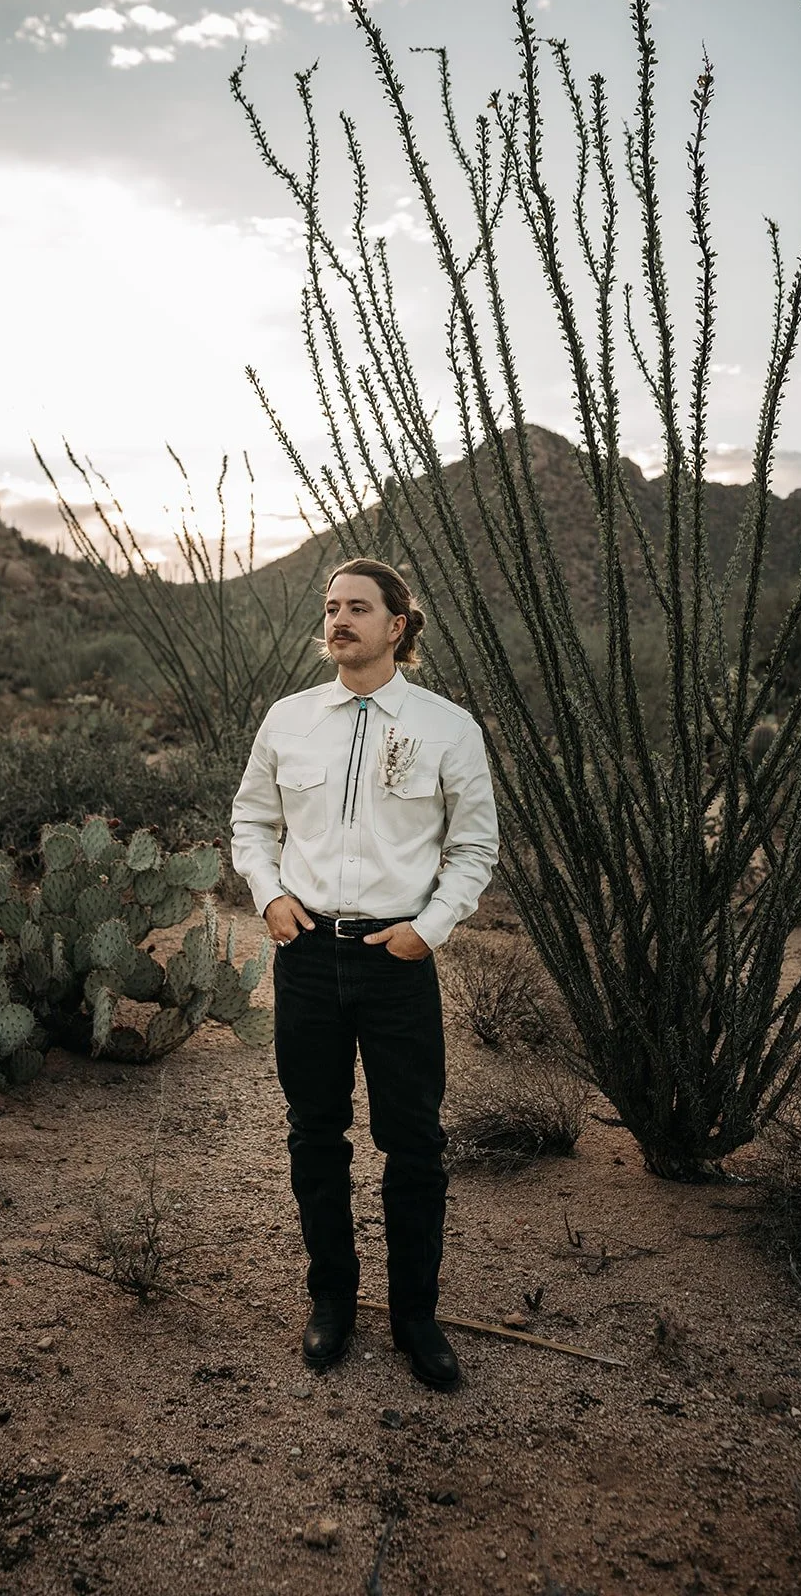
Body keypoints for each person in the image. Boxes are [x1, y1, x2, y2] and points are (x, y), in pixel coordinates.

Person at [230, 558, 499, 1390]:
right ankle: (332, 1303)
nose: (339, 620)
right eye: (331, 607)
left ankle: (415, 1316)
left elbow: (473, 846)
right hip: (305, 954)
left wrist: (429, 929)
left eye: (358, 608)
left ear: (397, 626)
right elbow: (251, 820)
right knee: (316, 1135)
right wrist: (269, 897)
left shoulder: (448, 727)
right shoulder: (288, 719)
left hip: (396, 960)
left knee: (413, 1145)